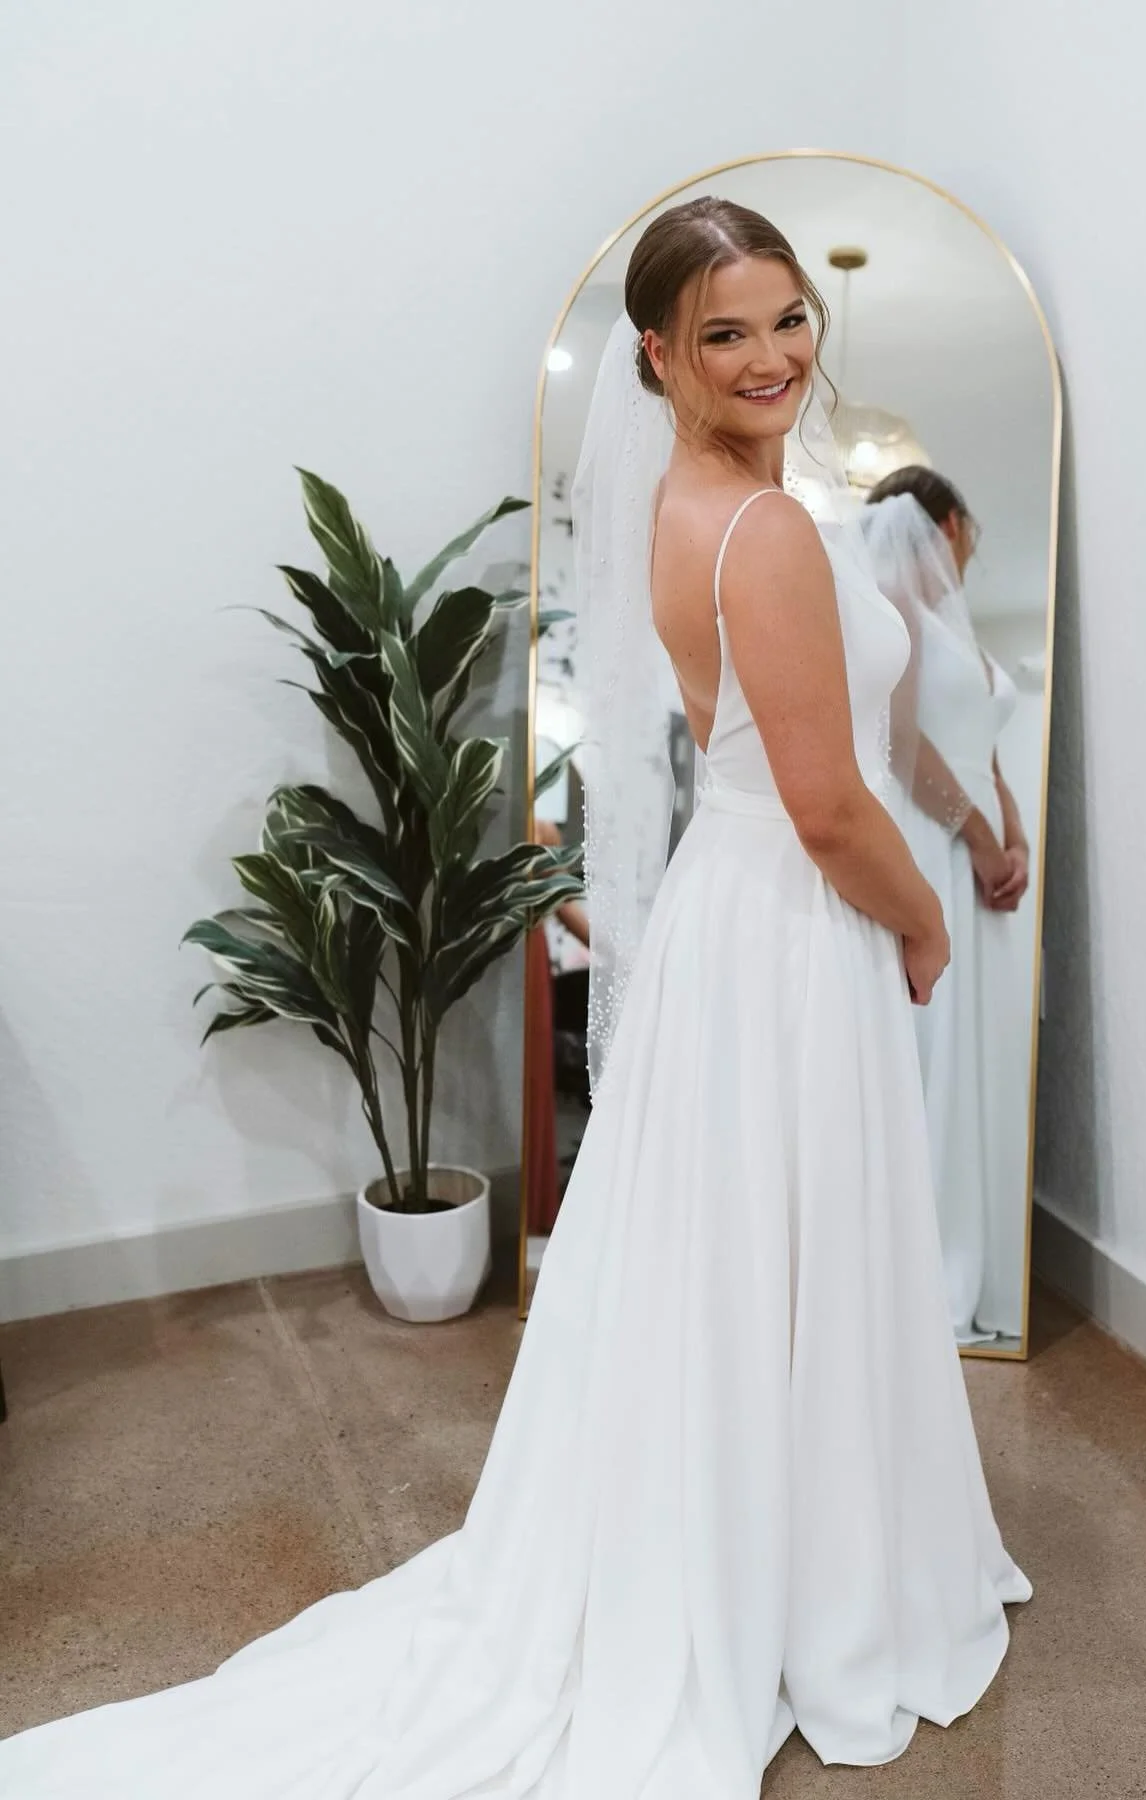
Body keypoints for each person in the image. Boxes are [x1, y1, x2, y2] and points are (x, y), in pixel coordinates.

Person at [0, 199, 1028, 1799]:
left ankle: (766, 1542)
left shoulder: (701, 503)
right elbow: (829, 805)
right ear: (659, 357)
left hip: (740, 909)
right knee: (790, 1232)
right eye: (726, 333)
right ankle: (814, 1577)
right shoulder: (760, 532)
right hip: (792, 909)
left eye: (789, 319)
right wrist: (924, 925)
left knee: (744, 1246)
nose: (772, 356)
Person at [862, 469, 1031, 1342]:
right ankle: (930, 1267)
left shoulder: (958, 629)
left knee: (981, 1048)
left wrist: (1016, 838)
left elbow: (983, 749)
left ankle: (982, 1252)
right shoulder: (894, 605)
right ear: (952, 526)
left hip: (980, 850)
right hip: (935, 843)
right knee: (938, 1051)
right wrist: (977, 841)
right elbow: (899, 744)